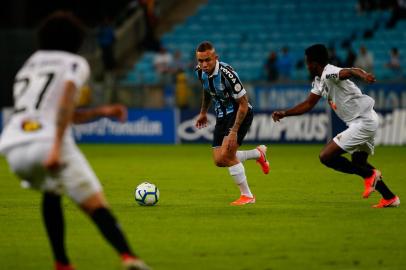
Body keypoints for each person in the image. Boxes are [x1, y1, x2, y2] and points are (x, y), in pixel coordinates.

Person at [0, 11, 150, 270]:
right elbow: (66, 101)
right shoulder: (74, 63)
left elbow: (53, 111)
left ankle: (62, 263)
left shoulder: (30, 64)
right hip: (47, 143)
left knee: (52, 190)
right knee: (95, 205)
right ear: (76, 40)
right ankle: (130, 258)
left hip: (13, 147)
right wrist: (56, 147)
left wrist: (100, 112)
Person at [271, 44, 400, 208]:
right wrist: (285, 113)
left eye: (307, 63)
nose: (306, 66)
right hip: (363, 120)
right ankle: (390, 198)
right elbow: (308, 104)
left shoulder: (329, 72)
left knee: (326, 156)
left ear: (314, 64)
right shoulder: (319, 81)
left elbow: (350, 71)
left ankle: (370, 175)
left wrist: (364, 75)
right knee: (359, 162)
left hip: (363, 121)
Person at [194, 41, 270, 206]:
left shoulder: (228, 75)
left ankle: (248, 196)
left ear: (216, 58)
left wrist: (234, 131)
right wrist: (203, 112)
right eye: (200, 61)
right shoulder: (200, 73)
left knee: (227, 155)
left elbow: (243, 103)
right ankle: (258, 154)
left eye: (207, 60)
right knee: (219, 160)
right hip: (221, 116)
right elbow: (207, 91)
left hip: (239, 114)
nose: (204, 64)